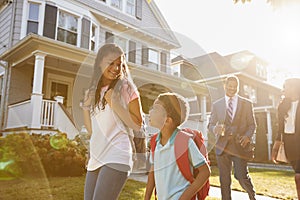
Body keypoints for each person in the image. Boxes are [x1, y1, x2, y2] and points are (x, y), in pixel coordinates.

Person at [81, 43, 143, 200]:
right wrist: (86, 108)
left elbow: (137, 124)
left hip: (117, 154)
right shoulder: (95, 90)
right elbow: (91, 130)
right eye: (111, 63)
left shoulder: (127, 88)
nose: (116, 68)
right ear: (100, 62)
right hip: (97, 156)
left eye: (119, 64)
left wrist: (115, 104)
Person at [144, 92, 210, 200]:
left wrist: (184, 197)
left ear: (167, 120)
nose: (150, 111)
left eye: (155, 109)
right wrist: (147, 197)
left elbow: (205, 172)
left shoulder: (184, 141)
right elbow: (153, 171)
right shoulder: (154, 141)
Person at [207, 75, 257, 200]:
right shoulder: (217, 105)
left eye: (235, 87)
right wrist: (214, 129)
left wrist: (247, 136)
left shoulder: (246, 104)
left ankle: (252, 195)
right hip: (222, 146)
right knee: (224, 180)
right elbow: (211, 124)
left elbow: (252, 125)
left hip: (240, 145)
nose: (232, 89)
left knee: (240, 176)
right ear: (225, 86)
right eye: (230, 86)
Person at [271, 78, 300, 199]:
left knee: (298, 176)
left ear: (295, 88)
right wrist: (275, 148)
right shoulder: (282, 106)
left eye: (286, 87)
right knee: (297, 174)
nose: (284, 89)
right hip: (290, 144)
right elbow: (280, 130)